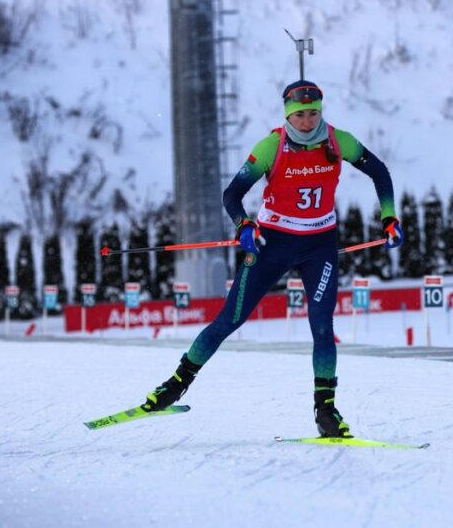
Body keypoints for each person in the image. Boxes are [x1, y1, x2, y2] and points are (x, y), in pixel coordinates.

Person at [141, 79, 403, 438]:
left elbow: (379, 171)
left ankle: (326, 411)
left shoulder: (339, 141)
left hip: (319, 245)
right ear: (288, 115)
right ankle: (173, 385)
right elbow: (232, 193)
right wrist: (244, 224)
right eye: (301, 116)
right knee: (229, 320)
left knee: (323, 328)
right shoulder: (272, 146)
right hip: (271, 242)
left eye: (314, 114)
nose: (308, 122)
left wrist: (389, 217)